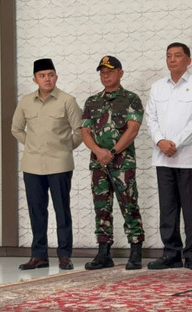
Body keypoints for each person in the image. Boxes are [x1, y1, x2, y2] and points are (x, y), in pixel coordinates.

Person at [11, 58, 82, 270]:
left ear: (56, 77)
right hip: (32, 165)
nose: (47, 79)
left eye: (50, 74)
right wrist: (32, 144)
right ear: (35, 79)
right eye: (42, 76)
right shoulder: (25, 102)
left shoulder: (67, 100)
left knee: (62, 210)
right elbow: (16, 129)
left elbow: (79, 131)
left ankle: (64, 255)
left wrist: (63, 147)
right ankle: (39, 256)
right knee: (37, 211)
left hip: (60, 163)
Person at [146, 42, 192, 271]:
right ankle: (171, 252)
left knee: (191, 208)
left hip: (189, 158)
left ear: (188, 60)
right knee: (168, 208)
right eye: (169, 56)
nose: (172, 60)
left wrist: (176, 143)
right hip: (162, 157)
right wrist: (161, 142)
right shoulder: (157, 87)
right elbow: (150, 118)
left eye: (177, 56)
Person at [81, 55, 145, 270]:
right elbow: (85, 131)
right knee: (102, 207)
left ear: (120, 73)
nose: (105, 75)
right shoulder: (92, 101)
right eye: (102, 72)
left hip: (122, 163)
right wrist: (99, 152)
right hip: (99, 163)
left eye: (109, 71)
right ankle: (103, 253)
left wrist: (113, 151)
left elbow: (133, 129)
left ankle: (136, 251)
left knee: (129, 205)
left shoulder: (131, 98)